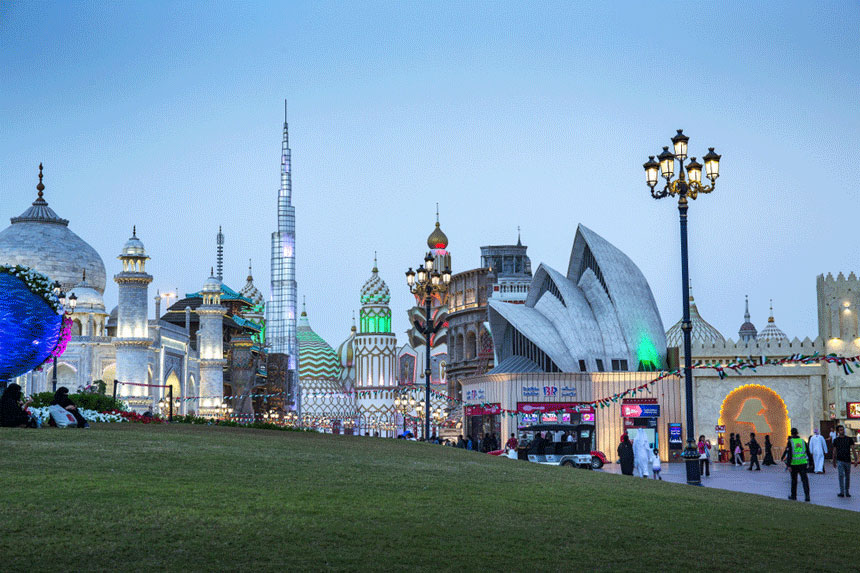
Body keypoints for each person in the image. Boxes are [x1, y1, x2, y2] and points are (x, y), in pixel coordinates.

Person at [786, 427, 811, 502]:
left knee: (794, 481)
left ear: (791, 433)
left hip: (794, 464)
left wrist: (788, 465)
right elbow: (808, 452)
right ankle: (807, 496)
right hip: (803, 463)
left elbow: (789, 454)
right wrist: (811, 463)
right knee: (805, 480)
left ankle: (793, 496)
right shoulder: (802, 441)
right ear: (797, 433)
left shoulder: (790, 442)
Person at [832, 425, 854, 498]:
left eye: (843, 430)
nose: (842, 431)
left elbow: (853, 449)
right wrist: (834, 460)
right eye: (840, 430)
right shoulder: (836, 440)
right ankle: (842, 491)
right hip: (840, 460)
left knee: (847, 476)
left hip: (847, 460)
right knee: (841, 475)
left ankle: (847, 491)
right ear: (838, 431)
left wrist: (856, 459)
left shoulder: (849, 439)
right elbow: (834, 451)